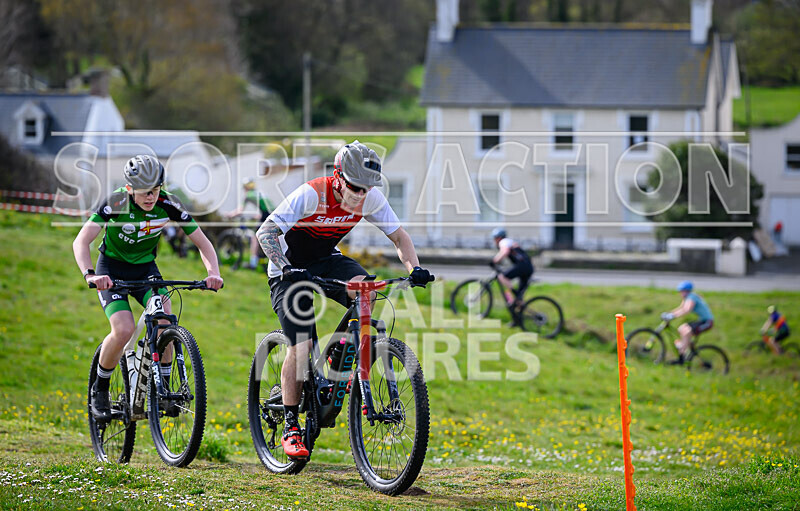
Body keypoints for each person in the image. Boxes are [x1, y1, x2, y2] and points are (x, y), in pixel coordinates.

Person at [256, 140, 432, 459]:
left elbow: (400, 237)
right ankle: (291, 426)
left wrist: (415, 268)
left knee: (367, 288)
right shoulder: (312, 193)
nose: (359, 196)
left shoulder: (369, 197)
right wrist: (284, 268)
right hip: (287, 266)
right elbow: (266, 233)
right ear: (337, 176)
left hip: (325, 258)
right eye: (354, 188)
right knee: (302, 345)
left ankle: (341, 352)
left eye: (366, 190)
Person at [73, 155, 224, 419]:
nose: (151, 197)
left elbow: (203, 243)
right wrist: (90, 275)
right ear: (130, 189)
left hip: (146, 270)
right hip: (111, 270)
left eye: (155, 191)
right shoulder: (116, 202)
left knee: (165, 321)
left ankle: (163, 390)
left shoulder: (168, 202)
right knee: (123, 329)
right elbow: (81, 241)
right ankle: (101, 387)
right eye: (144, 193)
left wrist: (213, 273)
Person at [226, 178, 275, 269]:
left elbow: (240, 211)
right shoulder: (260, 193)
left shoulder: (248, 195)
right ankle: (262, 258)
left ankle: (253, 264)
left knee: (254, 237)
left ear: (245, 188)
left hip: (266, 215)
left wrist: (230, 215)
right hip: (271, 214)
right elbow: (267, 208)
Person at [661, 281, 713, 363]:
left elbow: (686, 310)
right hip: (701, 321)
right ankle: (685, 348)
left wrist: (673, 316)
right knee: (681, 328)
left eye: (682, 291)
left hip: (707, 322)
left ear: (687, 291)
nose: (680, 293)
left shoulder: (692, 297)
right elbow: (680, 308)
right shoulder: (687, 298)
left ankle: (682, 354)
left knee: (687, 332)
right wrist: (669, 313)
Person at [489, 228, 534, 324]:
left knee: (502, 277)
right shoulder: (510, 241)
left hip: (523, 266)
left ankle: (515, 292)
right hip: (527, 267)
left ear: (498, 238)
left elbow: (504, 252)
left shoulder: (504, 241)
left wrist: (494, 261)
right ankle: (517, 320)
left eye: (494, 239)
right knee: (517, 301)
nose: (494, 241)